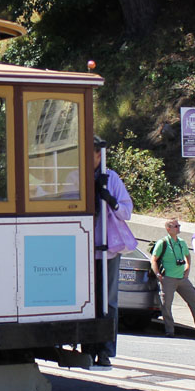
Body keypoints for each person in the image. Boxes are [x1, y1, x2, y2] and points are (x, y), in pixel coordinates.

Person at [83, 136, 137, 368]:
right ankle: (88, 348)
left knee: (109, 300)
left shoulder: (111, 177)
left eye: (93, 153)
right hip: (83, 246)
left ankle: (105, 349)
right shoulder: (78, 177)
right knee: (87, 301)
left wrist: (110, 200)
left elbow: (126, 210)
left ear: (99, 155)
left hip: (108, 249)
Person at [150, 218, 195, 336]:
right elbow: (153, 259)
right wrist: (158, 274)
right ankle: (170, 330)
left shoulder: (181, 242)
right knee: (166, 305)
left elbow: (188, 256)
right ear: (168, 229)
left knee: (194, 299)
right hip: (168, 278)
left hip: (182, 278)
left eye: (179, 225)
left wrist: (187, 269)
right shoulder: (163, 243)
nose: (178, 228)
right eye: (175, 226)